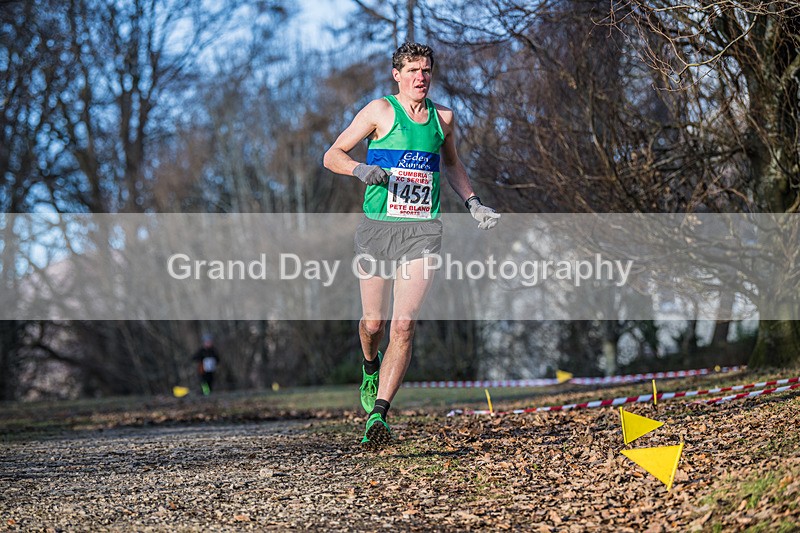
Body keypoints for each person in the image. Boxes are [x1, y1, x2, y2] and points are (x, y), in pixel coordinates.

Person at [323, 42, 500, 447]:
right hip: (377, 228)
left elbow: (452, 164)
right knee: (374, 325)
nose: (421, 77)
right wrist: (360, 168)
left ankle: (379, 416)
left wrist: (473, 204)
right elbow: (331, 154)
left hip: (422, 230)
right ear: (397, 75)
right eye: (413, 70)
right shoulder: (379, 111)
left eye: (426, 70)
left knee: (403, 326)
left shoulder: (444, 118)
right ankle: (370, 366)